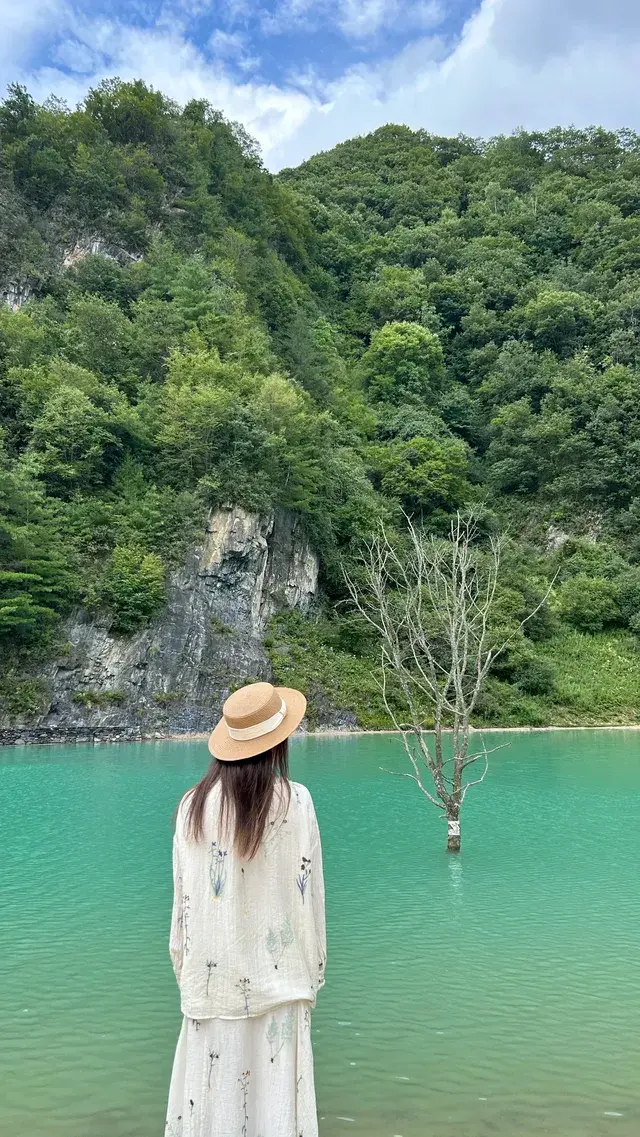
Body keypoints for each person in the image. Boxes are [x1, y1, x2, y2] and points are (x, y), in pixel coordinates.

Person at [165, 681, 326, 1137]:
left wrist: (186, 970)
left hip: (209, 988)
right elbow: (310, 894)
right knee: (276, 1111)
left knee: (212, 1105)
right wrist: (312, 973)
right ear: (279, 742)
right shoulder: (297, 802)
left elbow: (183, 907)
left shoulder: (191, 808)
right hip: (282, 985)